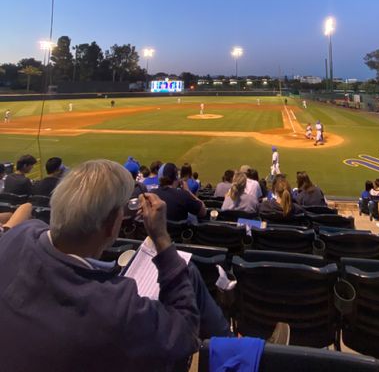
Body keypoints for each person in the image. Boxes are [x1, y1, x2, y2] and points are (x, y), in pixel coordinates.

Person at [0, 159, 227, 371]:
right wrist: (161, 238)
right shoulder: (116, 307)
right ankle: (231, 346)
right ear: (110, 227)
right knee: (190, 273)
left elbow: (27, 218)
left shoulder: (17, 235)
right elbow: (185, 332)